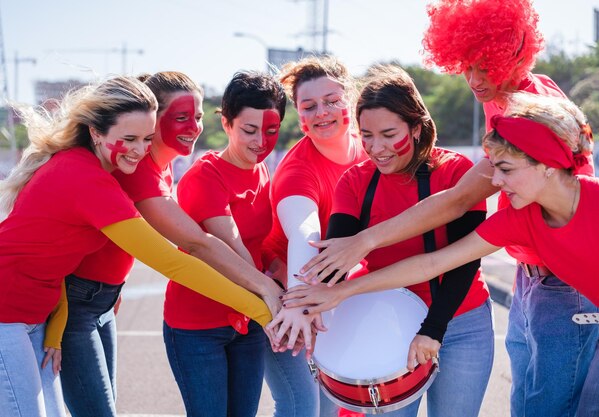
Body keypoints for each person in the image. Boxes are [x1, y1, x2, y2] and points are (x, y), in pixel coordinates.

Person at [298, 1, 597, 415]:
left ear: (514, 50)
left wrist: (364, 242)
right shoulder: (503, 99)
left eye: (483, 66)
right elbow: (432, 257)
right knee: (528, 404)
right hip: (532, 273)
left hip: (561, 280)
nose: (473, 80)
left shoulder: (530, 112)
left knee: (545, 408)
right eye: (466, 66)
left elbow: (459, 201)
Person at [284, 92, 599, 417]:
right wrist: (337, 291)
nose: (494, 181)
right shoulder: (521, 219)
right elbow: (434, 262)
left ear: (548, 165)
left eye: (505, 169)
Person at [0, 76, 272, 417]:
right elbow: (176, 262)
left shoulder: (101, 167)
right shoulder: (87, 179)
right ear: (96, 132)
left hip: (38, 314)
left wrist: (54, 331)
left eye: (146, 138)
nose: (140, 150)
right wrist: (264, 310)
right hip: (7, 313)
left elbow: (61, 267)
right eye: (128, 139)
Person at [318, 65, 493, 416]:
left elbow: (465, 260)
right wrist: (307, 303)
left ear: (415, 128)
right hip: (387, 320)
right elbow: (335, 258)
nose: (376, 148)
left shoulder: (457, 172)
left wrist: (433, 329)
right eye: (366, 135)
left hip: (460, 319)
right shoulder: (354, 181)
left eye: (387, 133)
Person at [163, 71, 286, 417]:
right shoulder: (206, 175)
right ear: (227, 123)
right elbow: (234, 249)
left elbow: (264, 246)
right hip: (196, 329)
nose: (260, 142)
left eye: (271, 131)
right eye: (249, 130)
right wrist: (274, 294)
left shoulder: (262, 172)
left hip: (245, 323)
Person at [263, 56, 368, 417]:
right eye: (309, 106)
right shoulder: (297, 171)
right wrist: (298, 304)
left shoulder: (371, 149)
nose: (322, 112)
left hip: (341, 287)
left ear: (351, 101)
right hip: (290, 285)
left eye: (332, 101)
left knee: (352, 401)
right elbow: (306, 234)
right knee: (309, 407)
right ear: (299, 115)